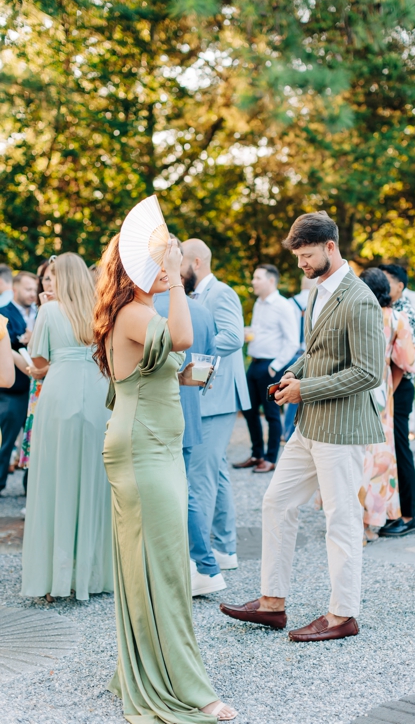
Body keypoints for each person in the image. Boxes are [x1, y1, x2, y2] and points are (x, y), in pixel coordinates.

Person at [220, 211, 385, 642]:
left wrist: (304, 389)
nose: (301, 265)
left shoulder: (360, 298)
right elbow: (314, 351)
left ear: (330, 247)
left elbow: (369, 373)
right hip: (308, 425)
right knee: (276, 503)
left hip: (341, 428)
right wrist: (293, 374)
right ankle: (273, 603)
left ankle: (342, 616)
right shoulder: (316, 292)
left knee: (342, 519)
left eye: (307, 256)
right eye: (297, 257)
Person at [94, 233, 237, 722]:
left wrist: (182, 375)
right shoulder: (134, 313)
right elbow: (180, 338)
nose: (164, 268)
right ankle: (186, 687)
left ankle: (141, 667)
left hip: (156, 447)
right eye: (155, 262)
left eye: (167, 262)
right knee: (163, 570)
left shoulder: (140, 314)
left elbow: (163, 363)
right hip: (142, 451)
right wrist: (177, 276)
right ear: (132, 270)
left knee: (156, 564)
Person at [20, 254, 113, 602]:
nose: (50, 282)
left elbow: (40, 360)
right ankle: (92, 574)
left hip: (60, 396)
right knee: (94, 481)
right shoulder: (102, 311)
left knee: (56, 481)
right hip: (98, 397)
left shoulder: (49, 312)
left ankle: (56, 576)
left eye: (53, 276)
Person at [180, 239, 250, 576]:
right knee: (217, 473)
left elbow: (234, 336)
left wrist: (192, 352)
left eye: (179, 264)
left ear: (195, 261)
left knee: (201, 478)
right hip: (207, 392)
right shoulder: (195, 296)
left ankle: (201, 563)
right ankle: (225, 549)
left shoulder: (221, 292)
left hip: (217, 395)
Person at [153, 259, 220, 597]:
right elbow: (204, 369)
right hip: (190, 409)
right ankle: (201, 566)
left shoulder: (146, 305)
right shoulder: (203, 312)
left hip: (158, 412)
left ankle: (197, 565)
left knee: (164, 494)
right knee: (186, 491)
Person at [357, 268, 415, 543]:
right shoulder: (396, 318)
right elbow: (409, 361)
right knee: (379, 458)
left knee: (352, 453)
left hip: (349, 388)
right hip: (380, 391)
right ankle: (371, 523)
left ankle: (349, 519)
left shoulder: (352, 313)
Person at [377, 264, 415, 537]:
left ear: (399, 286)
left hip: (399, 388)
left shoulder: (405, 313)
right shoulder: (390, 309)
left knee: (400, 449)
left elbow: (404, 363)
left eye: (387, 282)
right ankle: (390, 511)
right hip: (387, 387)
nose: (382, 287)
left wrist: (388, 394)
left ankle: (409, 516)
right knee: (387, 451)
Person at [234, 264, 299, 474]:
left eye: (257, 278)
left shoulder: (283, 306)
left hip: (272, 367)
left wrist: (274, 368)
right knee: (249, 410)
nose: (253, 281)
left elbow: (292, 343)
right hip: (254, 363)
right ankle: (257, 455)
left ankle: (270, 459)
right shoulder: (259, 304)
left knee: (272, 414)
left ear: (271, 281)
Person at [0, 272, 37, 491]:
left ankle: (29, 488)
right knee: (7, 442)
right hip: (14, 390)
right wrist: (22, 341)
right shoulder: (3, 315)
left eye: (34, 289)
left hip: (38, 388)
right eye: (27, 289)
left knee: (34, 443)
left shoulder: (42, 312)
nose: (32, 294)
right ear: (15, 290)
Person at [18, 260, 53, 483]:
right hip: (39, 384)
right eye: (47, 278)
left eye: (54, 277)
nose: (50, 283)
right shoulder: (42, 310)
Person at [281, 276, 315, 442]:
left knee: (291, 397)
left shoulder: (289, 302)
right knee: (305, 393)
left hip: (292, 354)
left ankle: (288, 434)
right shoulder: (319, 302)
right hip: (309, 354)